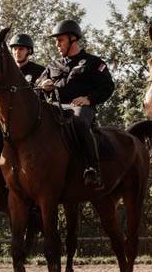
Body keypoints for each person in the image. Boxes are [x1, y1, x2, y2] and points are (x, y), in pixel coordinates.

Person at [34, 19, 114, 190]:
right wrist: (42, 85)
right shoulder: (52, 65)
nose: (57, 44)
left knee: (78, 121)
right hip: (55, 108)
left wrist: (89, 99)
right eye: (56, 41)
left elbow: (108, 86)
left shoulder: (93, 62)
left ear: (73, 39)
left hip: (80, 108)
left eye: (60, 40)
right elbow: (37, 85)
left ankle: (92, 169)